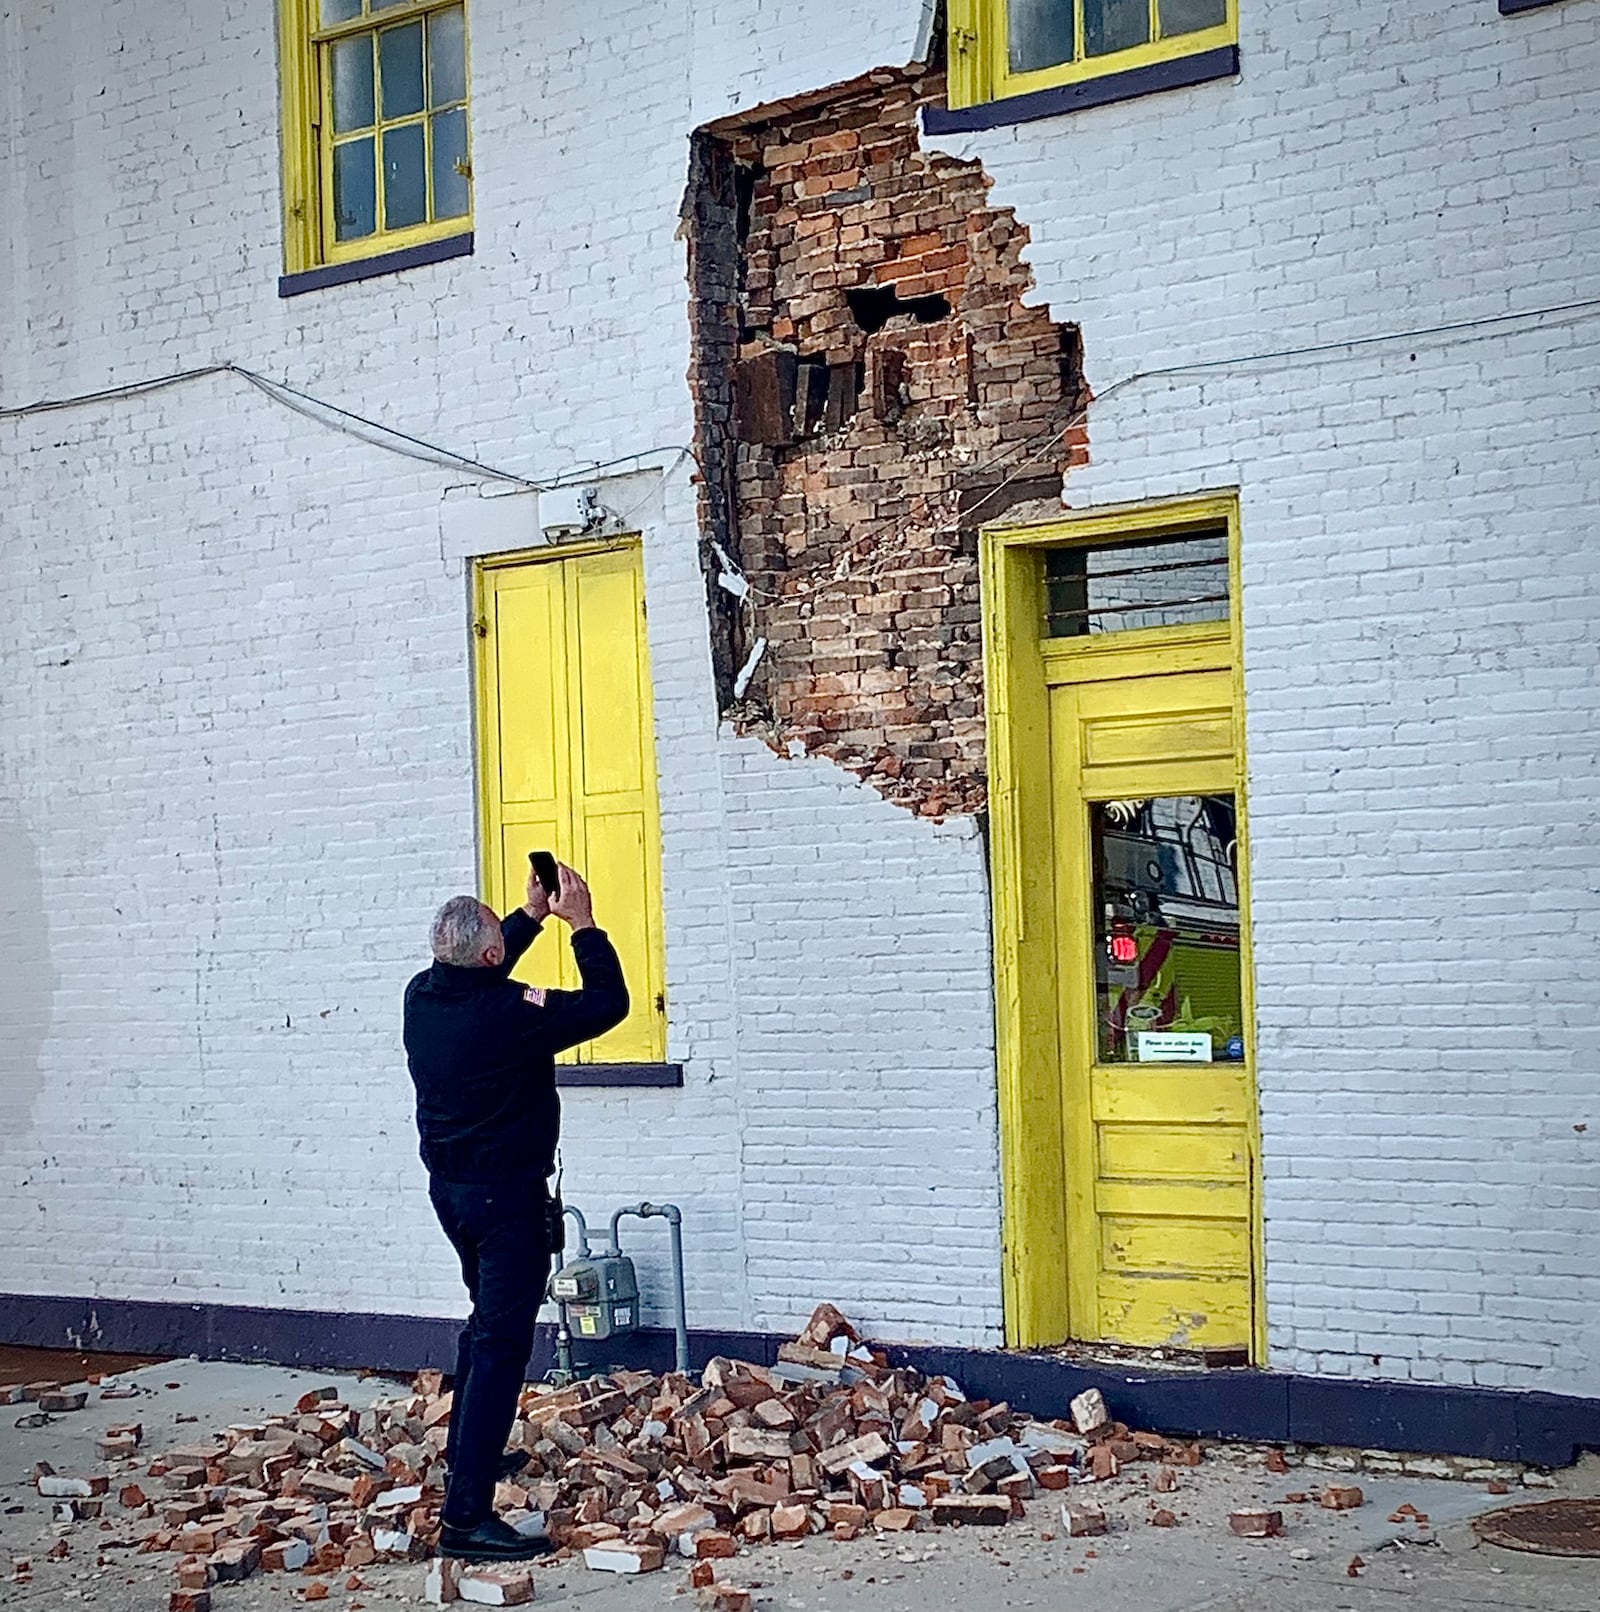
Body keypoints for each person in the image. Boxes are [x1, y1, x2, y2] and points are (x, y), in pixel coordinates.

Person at [403, 861, 628, 1562]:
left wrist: (530, 917)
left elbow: (484, 972)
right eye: (504, 935)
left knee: (484, 1328)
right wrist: (582, 925)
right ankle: (465, 1518)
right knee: (504, 1344)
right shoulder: (506, 1017)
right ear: (492, 955)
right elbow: (608, 1005)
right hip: (506, 1204)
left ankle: (466, 1453)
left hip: (453, 1194)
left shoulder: (423, 996)